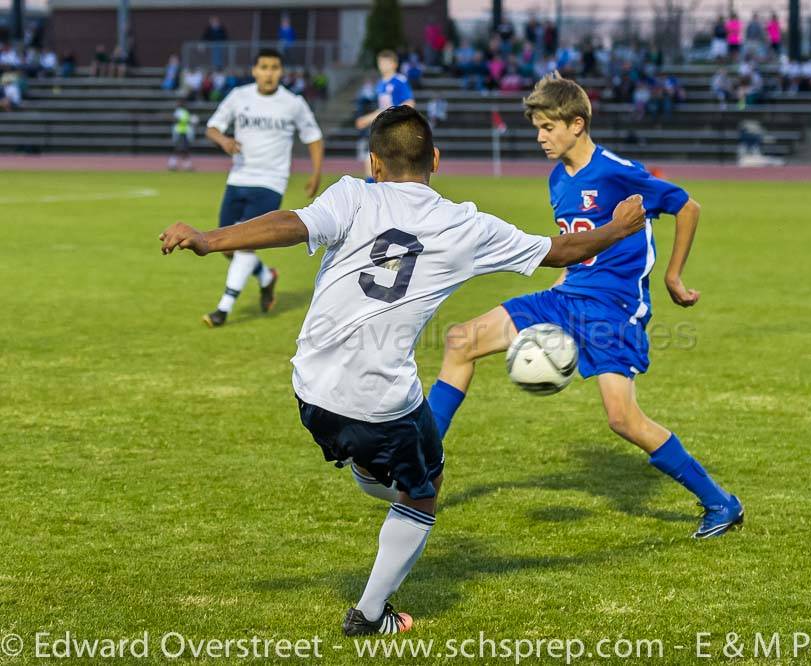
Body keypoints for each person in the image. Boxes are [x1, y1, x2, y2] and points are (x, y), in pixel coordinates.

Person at [159, 105, 650, 635]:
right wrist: (619, 228)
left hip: (309, 388)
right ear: (435, 159)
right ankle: (370, 616)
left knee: (385, 456)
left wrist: (210, 239)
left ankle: (366, 464)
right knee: (424, 487)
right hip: (378, 400)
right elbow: (562, 251)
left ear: (374, 162)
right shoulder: (466, 224)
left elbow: (288, 224)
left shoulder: (351, 195)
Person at [426, 74, 744, 540]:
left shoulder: (616, 171)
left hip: (614, 309)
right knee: (460, 341)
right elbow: (579, 248)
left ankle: (721, 503)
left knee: (622, 419)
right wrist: (560, 285)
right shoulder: (558, 178)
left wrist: (673, 276)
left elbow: (688, 206)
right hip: (567, 295)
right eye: (536, 127)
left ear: (577, 124)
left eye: (547, 127)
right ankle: (420, 468)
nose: (540, 137)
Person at [200, 48, 324, 327]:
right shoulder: (239, 96)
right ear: (254, 70)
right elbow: (212, 127)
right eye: (264, 67)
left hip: (271, 182)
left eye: (274, 67)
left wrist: (316, 173)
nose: (269, 73)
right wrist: (224, 141)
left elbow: (314, 137)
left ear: (281, 72)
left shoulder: (293, 103)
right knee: (227, 248)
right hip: (238, 179)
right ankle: (267, 277)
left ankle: (223, 309)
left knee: (244, 246)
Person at [355, 50, 415, 180]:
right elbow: (383, 109)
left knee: (389, 166)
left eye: (385, 63)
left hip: (397, 129)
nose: (382, 65)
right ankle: (373, 193)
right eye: (380, 63)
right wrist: (367, 119)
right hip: (384, 129)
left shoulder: (399, 81)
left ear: (394, 64)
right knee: (371, 162)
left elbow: (410, 103)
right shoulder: (381, 84)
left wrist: (393, 113)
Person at [168, 100, 196, 171]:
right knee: (180, 149)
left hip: (184, 132)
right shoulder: (179, 111)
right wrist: (188, 121)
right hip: (180, 132)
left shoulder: (184, 112)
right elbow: (175, 119)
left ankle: (182, 165)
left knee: (183, 149)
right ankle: (174, 164)